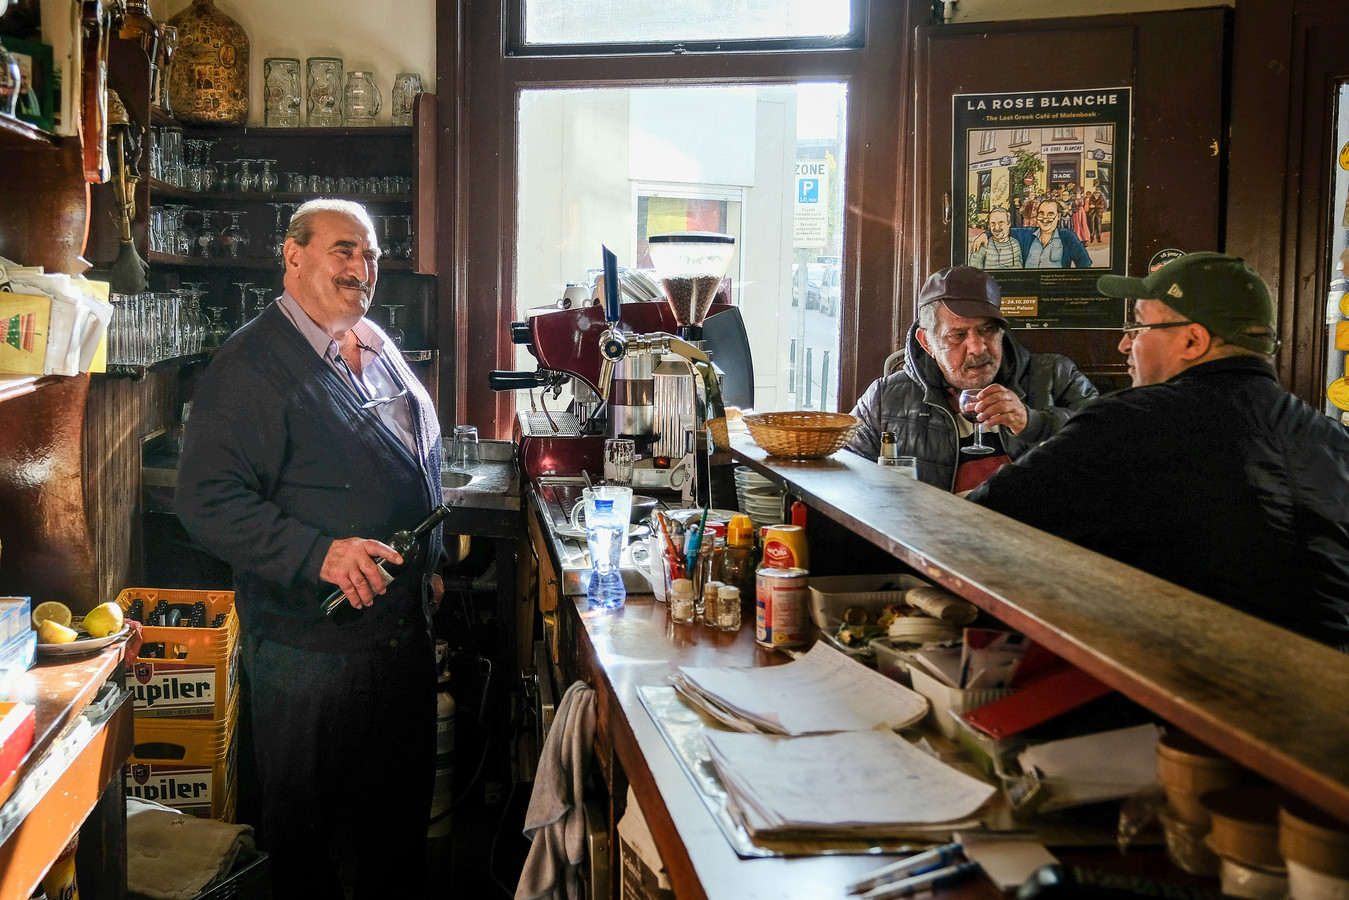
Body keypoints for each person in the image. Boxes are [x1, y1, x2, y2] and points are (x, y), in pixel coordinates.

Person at [175, 199, 446, 898]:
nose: (362, 267)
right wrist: (319, 553)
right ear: (292, 257)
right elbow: (206, 501)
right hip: (310, 653)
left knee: (394, 832)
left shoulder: (371, 345)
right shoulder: (252, 364)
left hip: (396, 636)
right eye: (343, 250)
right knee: (308, 843)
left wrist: (427, 568)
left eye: (372, 254)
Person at [970, 253, 1349, 649]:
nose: (1123, 344)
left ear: (1192, 340)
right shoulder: (1335, 443)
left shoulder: (1128, 423)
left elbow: (982, 523)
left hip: (1185, 696)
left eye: (1136, 327)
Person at [847, 265, 1098, 492]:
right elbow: (847, 481)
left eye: (986, 330)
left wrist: (1033, 424)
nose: (978, 348)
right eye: (958, 335)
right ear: (927, 343)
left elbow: (1107, 451)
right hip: (928, 538)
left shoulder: (1056, 376)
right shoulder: (884, 400)